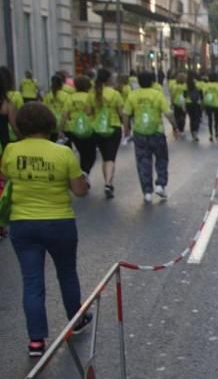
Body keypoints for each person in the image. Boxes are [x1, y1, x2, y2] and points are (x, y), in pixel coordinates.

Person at [1, 103, 92, 357]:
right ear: (49, 123)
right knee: (66, 273)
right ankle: (76, 320)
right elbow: (79, 191)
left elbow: (6, 177)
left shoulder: (11, 150)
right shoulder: (62, 153)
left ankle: (36, 341)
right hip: (59, 222)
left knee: (32, 283)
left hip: (22, 223)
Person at [122, 71, 178, 203]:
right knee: (162, 159)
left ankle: (147, 191)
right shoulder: (157, 95)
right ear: (153, 82)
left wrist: (126, 129)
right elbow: (168, 112)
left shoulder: (133, 95)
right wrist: (175, 126)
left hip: (140, 132)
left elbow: (125, 113)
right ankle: (160, 184)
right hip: (157, 132)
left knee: (143, 161)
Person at [90, 68, 125, 198]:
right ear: (109, 79)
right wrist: (126, 125)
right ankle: (108, 183)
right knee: (110, 158)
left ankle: (107, 181)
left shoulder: (92, 93)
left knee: (105, 157)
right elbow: (121, 112)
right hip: (113, 127)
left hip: (97, 129)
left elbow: (88, 111)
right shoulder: (115, 94)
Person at [64, 76, 98, 179]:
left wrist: (62, 128)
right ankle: (85, 171)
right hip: (90, 129)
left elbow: (65, 114)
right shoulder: (91, 97)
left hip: (73, 129)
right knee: (91, 154)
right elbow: (92, 112)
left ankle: (82, 171)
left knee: (82, 151)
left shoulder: (70, 98)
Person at [42, 74, 70, 141]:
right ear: (61, 84)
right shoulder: (66, 96)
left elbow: (44, 111)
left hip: (51, 125)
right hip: (64, 127)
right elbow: (65, 114)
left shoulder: (47, 96)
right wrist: (61, 130)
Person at [185, 74, 203, 142]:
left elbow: (184, 97)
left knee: (191, 119)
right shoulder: (198, 85)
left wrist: (184, 106)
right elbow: (201, 95)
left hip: (189, 104)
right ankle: (195, 133)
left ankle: (193, 133)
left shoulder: (186, 86)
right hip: (196, 104)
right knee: (197, 119)